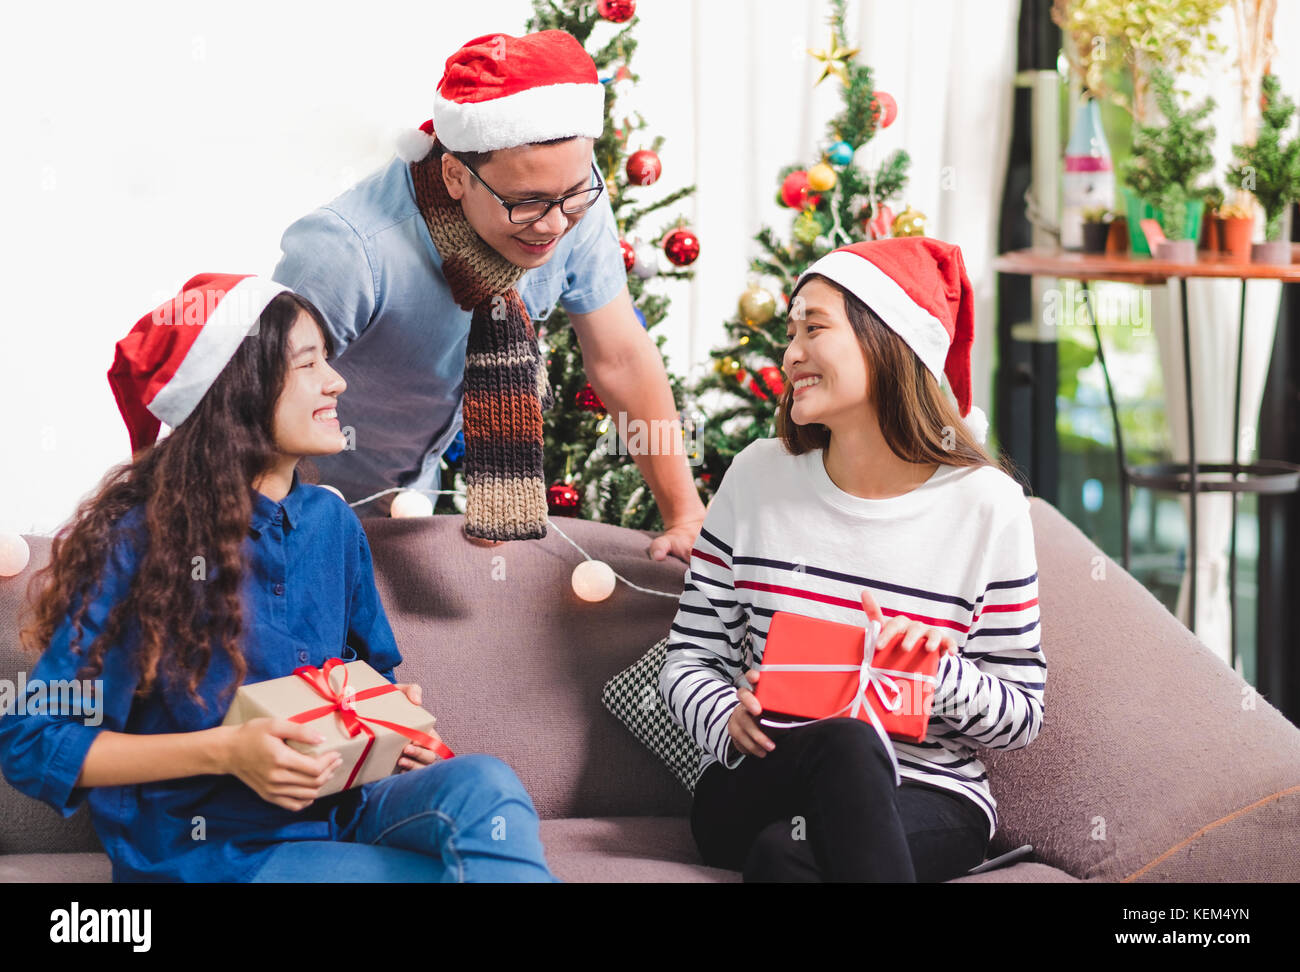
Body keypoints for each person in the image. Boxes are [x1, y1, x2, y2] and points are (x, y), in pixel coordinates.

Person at [0, 274, 555, 882]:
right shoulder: (136, 541)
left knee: (485, 784)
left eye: (329, 360)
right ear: (236, 391)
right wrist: (225, 751)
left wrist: (391, 722)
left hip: (344, 811)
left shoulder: (333, 522)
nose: (336, 380)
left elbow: (366, 676)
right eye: (307, 362)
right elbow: (30, 742)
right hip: (213, 852)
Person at [658, 238, 1046, 882]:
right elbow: (690, 659)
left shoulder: (988, 507)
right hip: (763, 776)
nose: (790, 354)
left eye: (814, 328)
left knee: (785, 857)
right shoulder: (757, 476)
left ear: (889, 340)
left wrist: (932, 673)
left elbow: (1022, 715)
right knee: (844, 742)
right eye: (790, 333)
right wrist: (726, 716)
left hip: (927, 794)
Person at [271, 29, 706, 558]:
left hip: (410, 514)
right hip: (292, 515)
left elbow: (621, 358)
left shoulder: (572, 205)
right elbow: (252, 403)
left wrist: (686, 514)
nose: (553, 225)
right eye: (526, 202)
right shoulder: (351, 250)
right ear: (456, 175)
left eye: (573, 194)